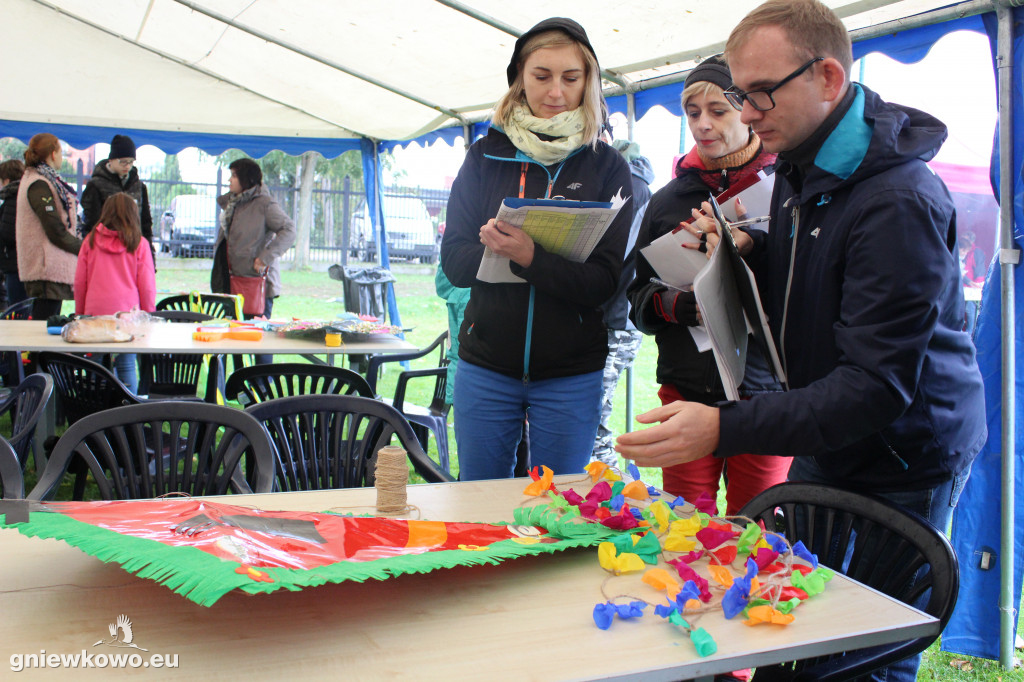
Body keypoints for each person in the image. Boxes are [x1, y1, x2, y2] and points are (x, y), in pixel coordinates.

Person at [617, 2, 986, 678]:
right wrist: (747, 250)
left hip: (902, 453)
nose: (746, 114)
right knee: (795, 626)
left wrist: (723, 427)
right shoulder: (800, 165)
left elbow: (875, 387)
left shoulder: (896, 199)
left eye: (759, 93)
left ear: (827, 77)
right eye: (738, 95)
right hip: (827, 435)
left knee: (869, 645)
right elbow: (812, 272)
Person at [440, 17, 633, 481]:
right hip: (485, 366)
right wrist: (496, 249)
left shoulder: (607, 167)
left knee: (558, 508)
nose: (555, 92)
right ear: (519, 79)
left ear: (589, 81)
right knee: (478, 507)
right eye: (541, 76)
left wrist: (531, 257)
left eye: (571, 78)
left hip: (571, 375)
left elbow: (603, 285)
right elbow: (454, 263)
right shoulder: (484, 156)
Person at [626, 56, 790, 516]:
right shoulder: (666, 201)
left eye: (718, 110)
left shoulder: (787, 187)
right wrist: (682, 307)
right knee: (683, 527)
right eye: (692, 112)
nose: (703, 124)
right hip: (686, 388)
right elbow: (636, 300)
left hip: (766, 397)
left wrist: (752, 249)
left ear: (749, 109)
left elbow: (810, 286)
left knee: (758, 531)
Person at [590, 139, 653, 467]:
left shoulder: (630, 189)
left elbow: (613, 259)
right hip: (616, 317)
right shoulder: (634, 186)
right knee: (593, 408)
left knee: (594, 413)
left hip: (615, 318)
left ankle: (606, 486)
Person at [74, 193, 156, 393]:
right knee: (126, 365)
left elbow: (80, 282)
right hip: (127, 317)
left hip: (95, 315)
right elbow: (146, 285)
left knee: (95, 365)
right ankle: (129, 415)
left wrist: (80, 314)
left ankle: (94, 410)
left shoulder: (90, 241)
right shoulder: (138, 243)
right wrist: (148, 315)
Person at [211, 157, 296, 320]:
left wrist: (265, 258)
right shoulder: (232, 203)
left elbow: (289, 229)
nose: (229, 180)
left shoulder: (264, 204)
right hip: (229, 281)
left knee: (253, 337)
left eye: (234, 175)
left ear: (246, 179)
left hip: (254, 285)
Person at [15, 133, 82, 321]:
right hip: (45, 268)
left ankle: (41, 352)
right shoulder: (39, 183)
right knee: (43, 326)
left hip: (50, 266)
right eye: (61, 152)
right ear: (53, 154)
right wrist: (82, 247)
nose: (62, 157)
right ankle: (39, 353)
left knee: (46, 324)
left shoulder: (43, 180)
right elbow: (54, 229)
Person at [80, 135, 155, 262]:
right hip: (105, 252)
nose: (127, 166)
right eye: (123, 161)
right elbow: (91, 223)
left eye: (131, 162)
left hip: (134, 250)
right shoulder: (96, 185)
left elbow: (145, 223)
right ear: (111, 159)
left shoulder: (139, 187)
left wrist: (150, 257)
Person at [0, 159, 26, 309]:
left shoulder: (12, 200)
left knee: (16, 308)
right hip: (18, 262)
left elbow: (8, 233)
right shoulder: (22, 197)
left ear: (7, 180)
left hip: (14, 262)